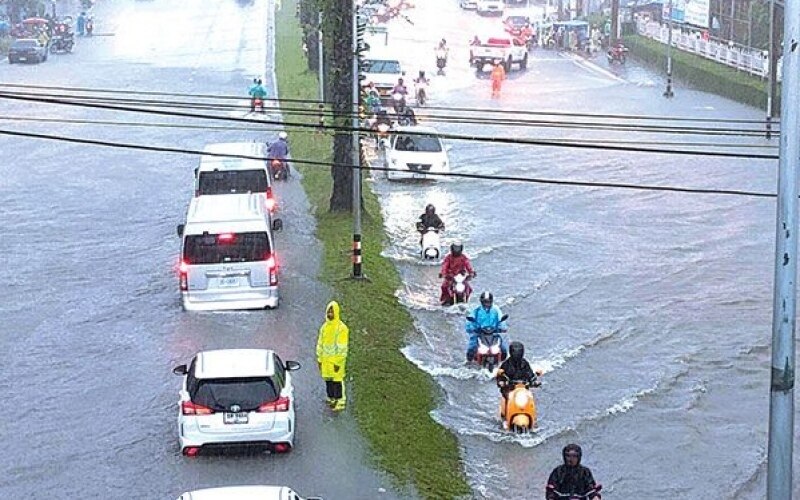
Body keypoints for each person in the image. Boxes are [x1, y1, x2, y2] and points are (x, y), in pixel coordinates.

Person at [316, 301, 350, 411]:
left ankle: (340, 402)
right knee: (328, 381)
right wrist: (319, 359)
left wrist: (337, 363)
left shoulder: (342, 328)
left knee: (337, 382)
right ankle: (332, 398)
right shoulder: (324, 327)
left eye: (332, 311)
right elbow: (320, 344)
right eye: (329, 311)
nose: (330, 314)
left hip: (336, 362)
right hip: (326, 361)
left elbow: (342, 348)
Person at [496, 341, 539, 417]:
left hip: (523, 389)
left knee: (530, 398)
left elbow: (530, 374)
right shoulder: (506, 364)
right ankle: (505, 415)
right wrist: (501, 382)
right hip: (509, 389)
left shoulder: (525, 363)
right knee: (507, 397)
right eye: (515, 351)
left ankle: (532, 416)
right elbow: (499, 377)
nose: (517, 354)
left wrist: (534, 381)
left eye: (519, 351)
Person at [465, 291, 508, 362]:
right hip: (479, 333)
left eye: (488, 302)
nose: (487, 304)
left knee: (503, 350)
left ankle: (502, 364)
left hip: (493, 333)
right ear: (481, 302)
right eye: (485, 302)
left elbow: (501, 320)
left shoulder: (496, 310)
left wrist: (502, 328)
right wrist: (472, 328)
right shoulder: (476, 310)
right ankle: (469, 363)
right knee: (471, 349)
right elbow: (470, 320)